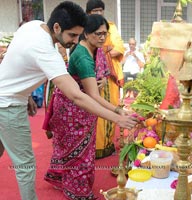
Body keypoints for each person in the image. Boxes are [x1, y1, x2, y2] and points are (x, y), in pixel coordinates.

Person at [0, 2, 136, 200]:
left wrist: (25, 92)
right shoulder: (48, 53)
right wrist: (117, 118)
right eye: (72, 35)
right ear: (57, 27)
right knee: (25, 165)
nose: (74, 41)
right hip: (8, 105)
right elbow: (76, 95)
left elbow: (15, 59)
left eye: (78, 35)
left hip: (8, 96)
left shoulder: (33, 26)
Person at [44, 14, 119, 200]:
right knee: (80, 155)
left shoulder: (88, 50)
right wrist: (117, 112)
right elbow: (92, 94)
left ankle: (65, 181)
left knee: (74, 149)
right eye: (98, 33)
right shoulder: (83, 57)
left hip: (75, 106)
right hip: (74, 109)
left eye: (105, 33)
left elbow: (90, 86)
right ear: (86, 33)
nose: (102, 37)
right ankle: (78, 193)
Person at [86, 0, 126, 159]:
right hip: (89, 74)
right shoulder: (84, 28)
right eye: (94, 11)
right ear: (88, 13)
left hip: (108, 77)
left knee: (109, 108)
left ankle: (106, 145)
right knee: (91, 110)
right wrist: (105, 48)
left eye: (100, 10)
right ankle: (89, 147)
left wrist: (102, 51)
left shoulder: (110, 27)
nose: (98, 14)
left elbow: (119, 49)